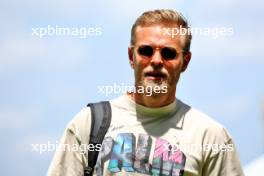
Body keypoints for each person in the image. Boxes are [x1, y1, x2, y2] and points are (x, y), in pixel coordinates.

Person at [47, 9, 244, 176]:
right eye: (146, 51)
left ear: (185, 61)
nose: (157, 60)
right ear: (131, 57)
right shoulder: (88, 124)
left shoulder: (212, 137)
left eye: (168, 53)